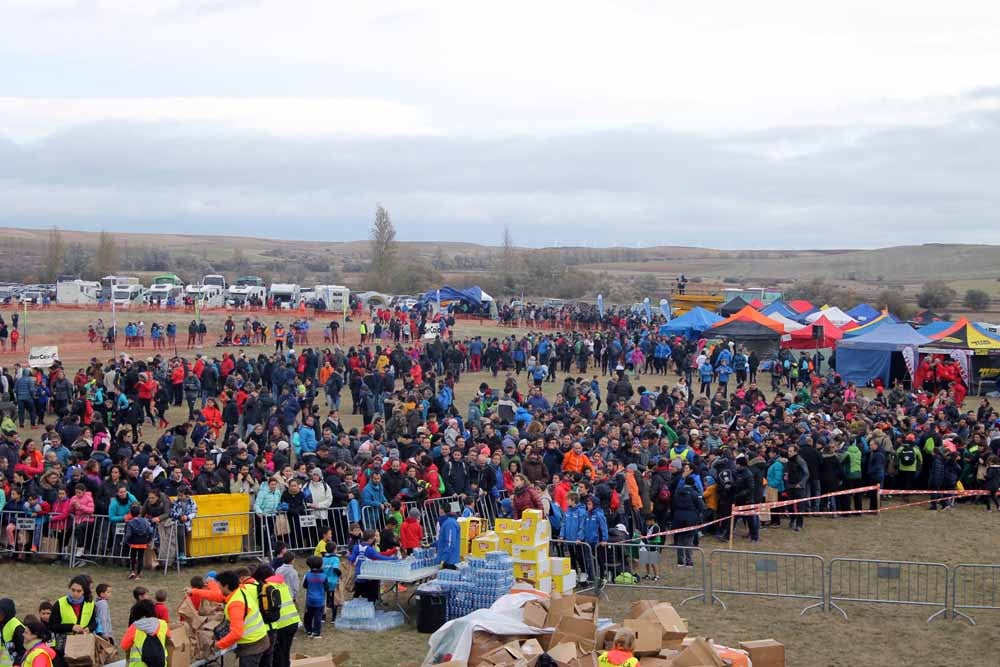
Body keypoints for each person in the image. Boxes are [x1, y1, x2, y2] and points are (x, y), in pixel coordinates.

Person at [212, 571, 270, 667]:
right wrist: (195, 592)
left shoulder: (236, 605)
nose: (218, 588)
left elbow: (237, 633)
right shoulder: (240, 589)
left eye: (219, 586)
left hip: (252, 645)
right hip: (258, 639)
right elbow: (217, 596)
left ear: (226, 586)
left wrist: (219, 645)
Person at [120, 600, 168, 667]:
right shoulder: (163, 624)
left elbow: (124, 645)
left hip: (139, 664)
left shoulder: (134, 627)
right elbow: (169, 637)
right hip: (160, 663)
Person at [48, 576, 97, 641]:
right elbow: (52, 626)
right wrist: (71, 627)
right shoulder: (59, 603)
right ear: (69, 588)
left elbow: (93, 622)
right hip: (63, 643)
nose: (75, 593)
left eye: (79, 591)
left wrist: (89, 628)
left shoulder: (91, 604)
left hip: (83, 641)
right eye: (73, 590)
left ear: (84, 591)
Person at [301, 556, 326, 639]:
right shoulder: (323, 576)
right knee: (318, 617)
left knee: (309, 615)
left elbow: (305, 586)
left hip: (310, 600)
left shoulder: (308, 575)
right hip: (320, 601)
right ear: (321, 565)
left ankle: (308, 630)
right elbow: (327, 587)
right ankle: (316, 633)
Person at [433, 504, 460, 570]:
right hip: (447, 559)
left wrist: (443, 559)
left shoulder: (450, 523)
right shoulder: (447, 522)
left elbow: (450, 543)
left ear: (441, 511)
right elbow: (443, 540)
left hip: (449, 561)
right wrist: (431, 545)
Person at [0, 598, 26, 667]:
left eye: (0, 613)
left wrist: (17, 663)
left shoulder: (17, 627)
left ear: (7, 612)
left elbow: (23, 649)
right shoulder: (2, 623)